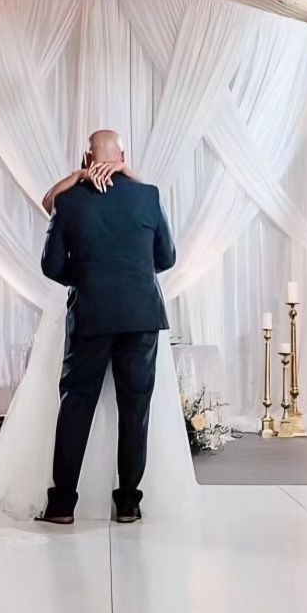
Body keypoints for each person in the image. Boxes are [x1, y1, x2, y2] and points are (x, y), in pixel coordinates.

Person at [37, 130, 176, 525]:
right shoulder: (148, 195)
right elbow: (165, 257)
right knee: (135, 410)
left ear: (86, 158)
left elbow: (51, 266)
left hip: (91, 316)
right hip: (140, 316)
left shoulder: (69, 201)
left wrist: (86, 278)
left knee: (76, 406)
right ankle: (129, 503)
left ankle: (62, 504)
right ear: (123, 156)